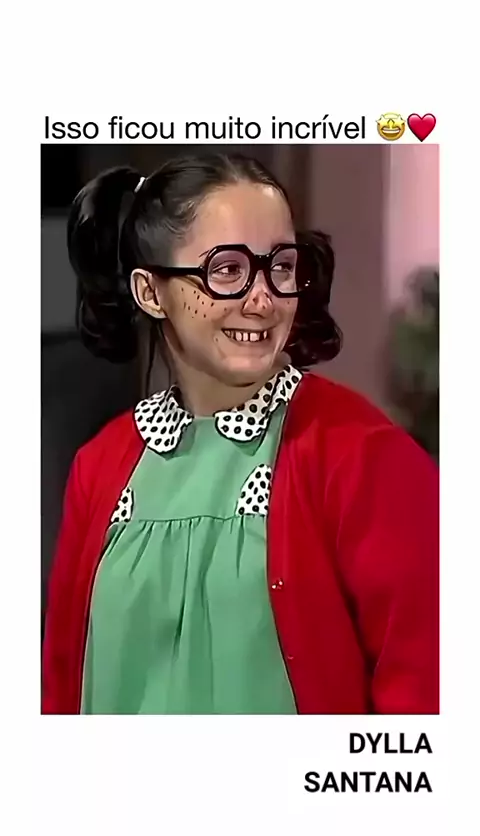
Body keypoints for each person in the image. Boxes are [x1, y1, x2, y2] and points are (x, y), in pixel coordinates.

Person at [42, 152, 439, 715]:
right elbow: (61, 685)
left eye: (281, 266)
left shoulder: (363, 456)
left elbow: (426, 693)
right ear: (151, 292)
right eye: (227, 270)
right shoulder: (99, 465)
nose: (263, 299)